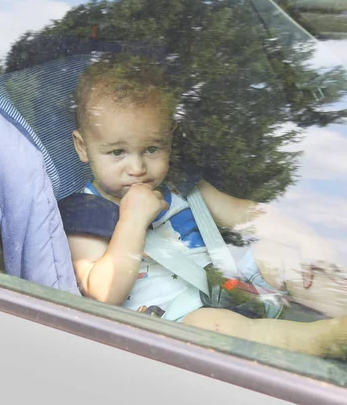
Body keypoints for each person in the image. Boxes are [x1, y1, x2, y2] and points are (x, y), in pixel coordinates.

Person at [65, 54, 347, 358]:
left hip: (226, 281)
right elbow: (104, 293)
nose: (137, 167)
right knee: (212, 325)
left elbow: (246, 215)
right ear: (83, 147)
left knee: (277, 255)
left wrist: (307, 238)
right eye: (117, 152)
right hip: (175, 318)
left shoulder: (180, 184)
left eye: (151, 148)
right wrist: (131, 221)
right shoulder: (83, 213)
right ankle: (324, 339)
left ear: (170, 138)